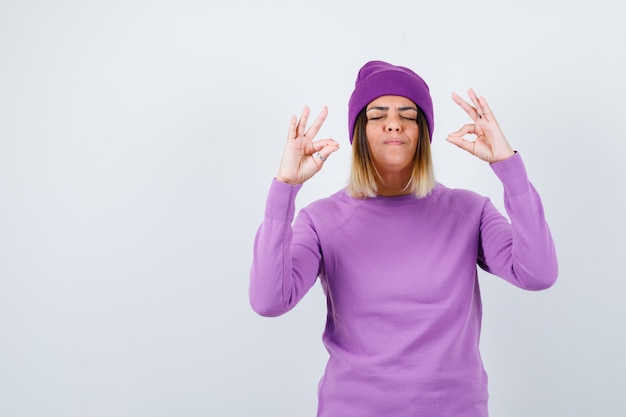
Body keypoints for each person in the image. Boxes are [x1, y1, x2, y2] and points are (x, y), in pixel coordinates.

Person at [249, 60, 558, 417]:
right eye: (377, 114)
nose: (393, 122)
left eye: (408, 114)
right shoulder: (321, 221)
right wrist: (285, 188)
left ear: (422, 133)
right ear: (359, 133)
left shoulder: (469, 212)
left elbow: (538, 273)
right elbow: (269, 300)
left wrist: (507, 164)